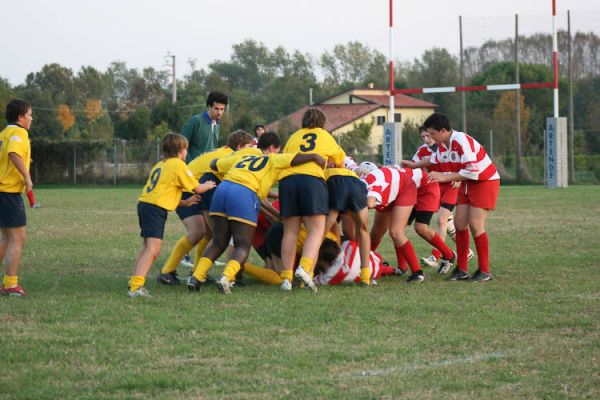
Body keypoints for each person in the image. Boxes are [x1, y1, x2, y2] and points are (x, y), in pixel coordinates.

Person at [188, 132, 326, 294]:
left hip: (222, 190)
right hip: (244, 193)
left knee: (218, 241)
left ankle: (196, 277)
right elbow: (295, 158)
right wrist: (315, 157)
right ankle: (226, 277)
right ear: (272, 149)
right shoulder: (273, 159)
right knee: (242, 244)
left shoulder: (245, 155)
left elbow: (214, 164)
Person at [404, 113, 500, 282]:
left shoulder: (460, 140)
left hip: (485, 181)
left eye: (432, 133)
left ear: (442, 131)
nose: (430, 137)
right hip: (467, 182)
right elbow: (434, 159)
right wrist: (414, 165)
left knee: (476, 224)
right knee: (459, 224)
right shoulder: (444, 144)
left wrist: (444, 178)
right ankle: (462, 270)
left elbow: (473, 170)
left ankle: (484, 271)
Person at [156, 130, 253, 285]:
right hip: (187, 190)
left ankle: (197, 272)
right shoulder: (229, 157)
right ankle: (167, 272)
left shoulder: (226, 153)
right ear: (240, 146)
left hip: (197, 189)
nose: (252, 152)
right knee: (199, 232)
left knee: (208, 233)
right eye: (249, 147)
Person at [127, 133, 216, 298]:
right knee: (153, 249)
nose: (186, 153)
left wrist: (185, 203)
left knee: (147, 246)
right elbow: (197, 188)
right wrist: (208, 185)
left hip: (145, 205)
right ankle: (136, 288)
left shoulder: (161, 164)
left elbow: (164, 191)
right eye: (186, 150)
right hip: (154, 208)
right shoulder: (179, 165)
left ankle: (134, 280)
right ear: (181, 150)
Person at [278, 108, 346, 292]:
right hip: (311, 182)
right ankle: (305, 267)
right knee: (316, 230)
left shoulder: (294, 136)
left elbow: (287, 157)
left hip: (287, 181)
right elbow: (341, 160)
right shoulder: (324, 136)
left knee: (290, 232)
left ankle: (286, 278)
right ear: (322, 122)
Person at [412, 126, 473, 272]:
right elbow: (413, 166)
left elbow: (464, 163)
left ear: (436, 133)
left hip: (451, 186)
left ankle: (436, 255)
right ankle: (466, 252)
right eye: (424, 137)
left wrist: (459, 177)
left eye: (429, 135)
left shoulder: (448, 146)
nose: (427, 139)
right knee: (448, 223)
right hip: (435, 188)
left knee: (441, 220)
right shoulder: (422, 151)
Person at [363, 165, 426, 283]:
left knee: (396, 232)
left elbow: (370, 204)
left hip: (405, 188)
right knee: (376, 233)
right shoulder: (365, 182)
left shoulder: (372, 184)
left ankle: (417, 272)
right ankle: (364, 263)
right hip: (390, 189)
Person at [0, 99, 33, 296]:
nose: (31, 118)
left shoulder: (4, 133)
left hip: (2, 191)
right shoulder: (19, 133)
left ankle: (8, 282)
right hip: (8, 192)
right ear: (20, 117)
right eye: (29, 114)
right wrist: (26, 177)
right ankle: (11, 284)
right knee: (18, 238)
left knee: (6, 238)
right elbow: (14, 153)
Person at [324, 157, 371, 286]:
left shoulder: (318, 154)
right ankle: (365, 276)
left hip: (334, 182)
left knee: (319, 232)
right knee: (363, 230)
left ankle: (308, 272)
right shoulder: (341, 155)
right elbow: (356, 169)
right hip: (356, 183)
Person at [181, 91, 228, 162]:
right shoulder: (195, 121)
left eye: (222, 109)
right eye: (216, 108)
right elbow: (180, 146)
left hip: (208, 169)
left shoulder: (217, 124)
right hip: (193, 169)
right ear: (209, 107)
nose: (219, 113)